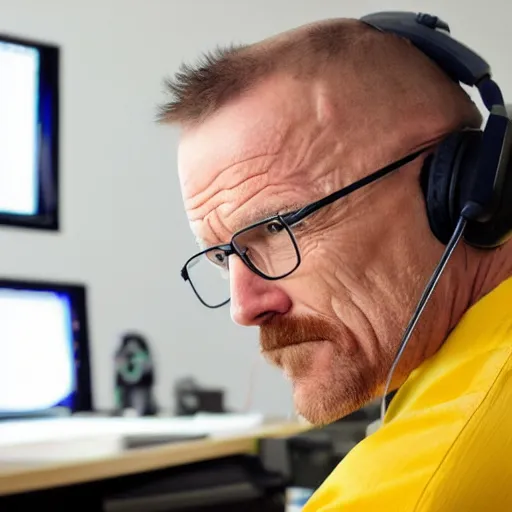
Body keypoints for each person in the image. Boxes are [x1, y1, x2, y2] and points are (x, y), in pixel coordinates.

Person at [157, 13, 512, 511]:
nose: (244, 307)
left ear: (461, 188)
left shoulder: (424, 487)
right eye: (222, 255)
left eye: (278, 228)